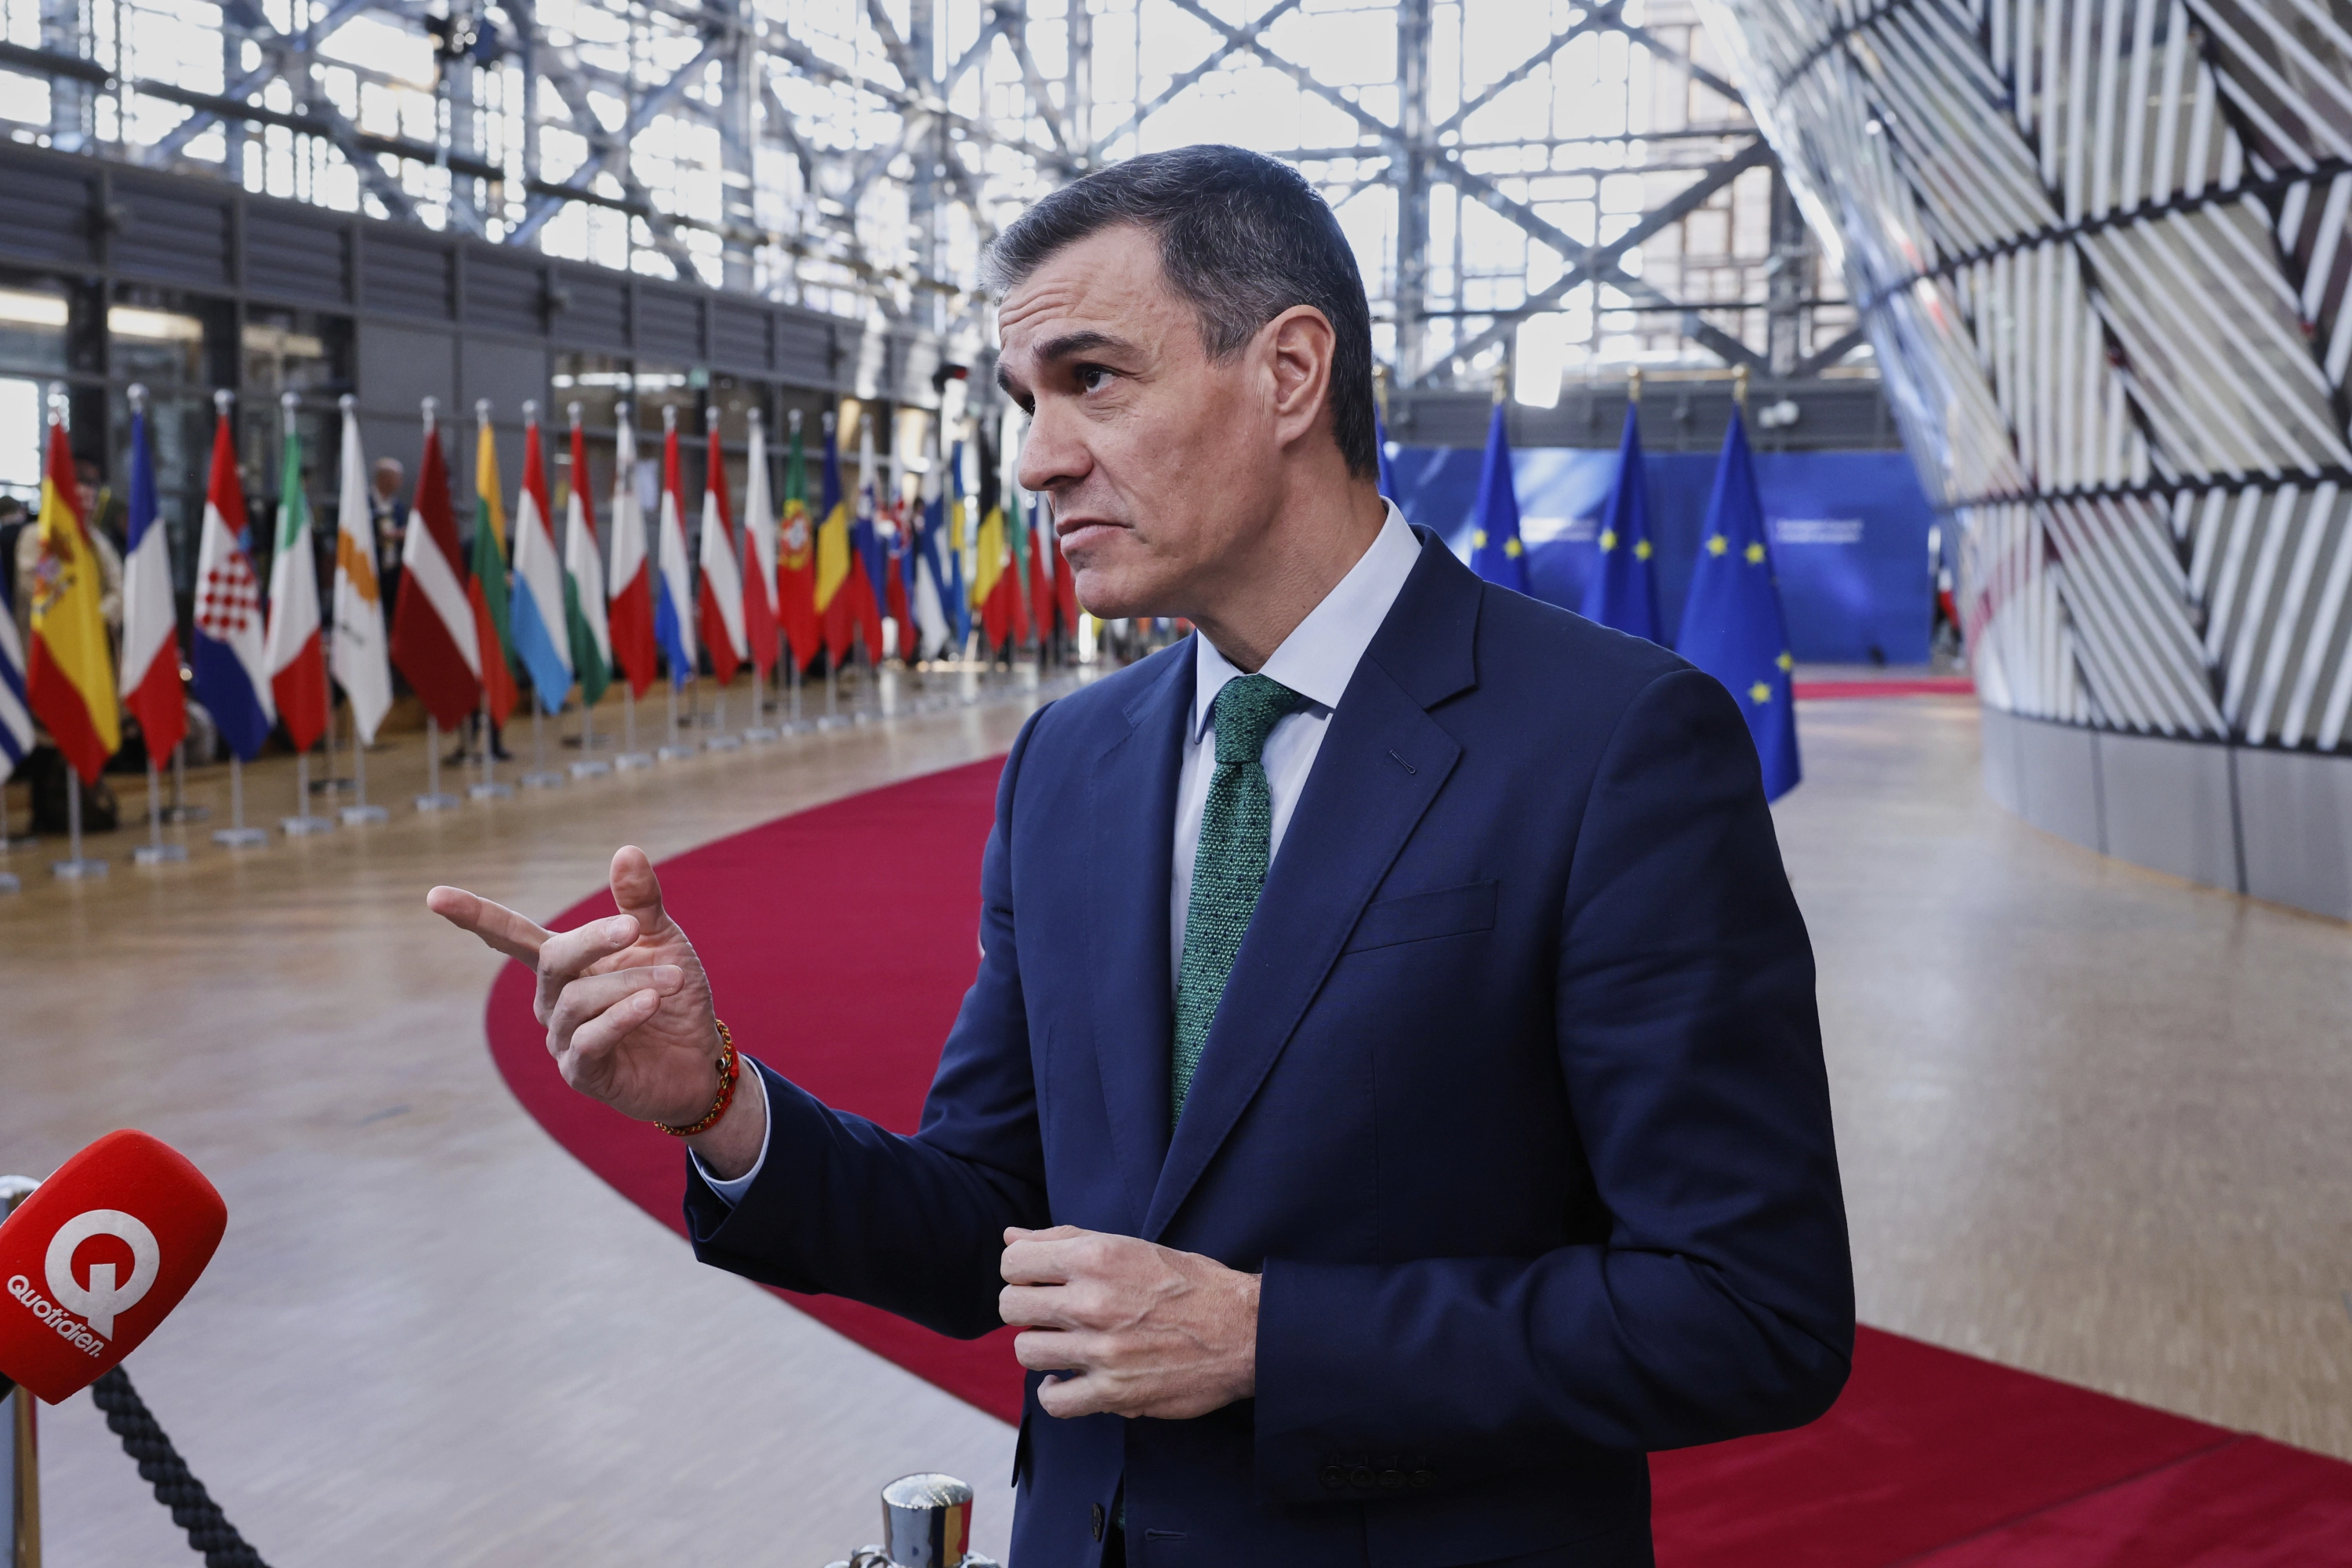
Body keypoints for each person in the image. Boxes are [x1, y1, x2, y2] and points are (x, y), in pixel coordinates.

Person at [430, 145, 1852, 1566]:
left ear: (1291, 372)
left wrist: (1270, 1340)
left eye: (1092, 380)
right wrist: (720, 1103)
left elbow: (1748, 1309)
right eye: (1026, 401)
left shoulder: (1613, 744)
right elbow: (989, 1220)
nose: (1038, 456)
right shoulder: (1074, 760)